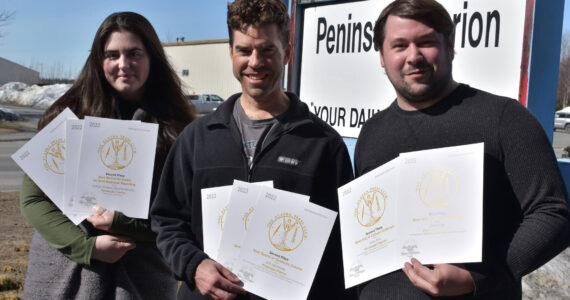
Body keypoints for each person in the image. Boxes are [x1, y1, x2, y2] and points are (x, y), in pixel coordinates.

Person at [354, 0, 570, 299]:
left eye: (426, 42)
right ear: (381, 56)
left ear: (450, 46)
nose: (413, 56)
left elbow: (553, 213)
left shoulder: (504, 118)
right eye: (399, 45)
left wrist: (479, 276)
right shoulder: (371, 133)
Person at [150, 0, 355, 299]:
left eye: (267, 50)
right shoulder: (197, 138)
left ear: (286, 53)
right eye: (245, 50)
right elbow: (167, 220)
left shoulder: (324, 144)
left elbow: (339, 252)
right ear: (231, 53)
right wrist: (194, 266)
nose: (255, 62)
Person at [20, 11, 195, 299]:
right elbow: (32, 199)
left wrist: (120, 223)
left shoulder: (177, 129)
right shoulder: (67, 116)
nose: (123, 64)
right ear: (98, 61)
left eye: (134, 53)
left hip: (142, 279)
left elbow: (180, 219)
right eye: (111, 55)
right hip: (62, 276)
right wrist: (86, 247)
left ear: (153, 59)